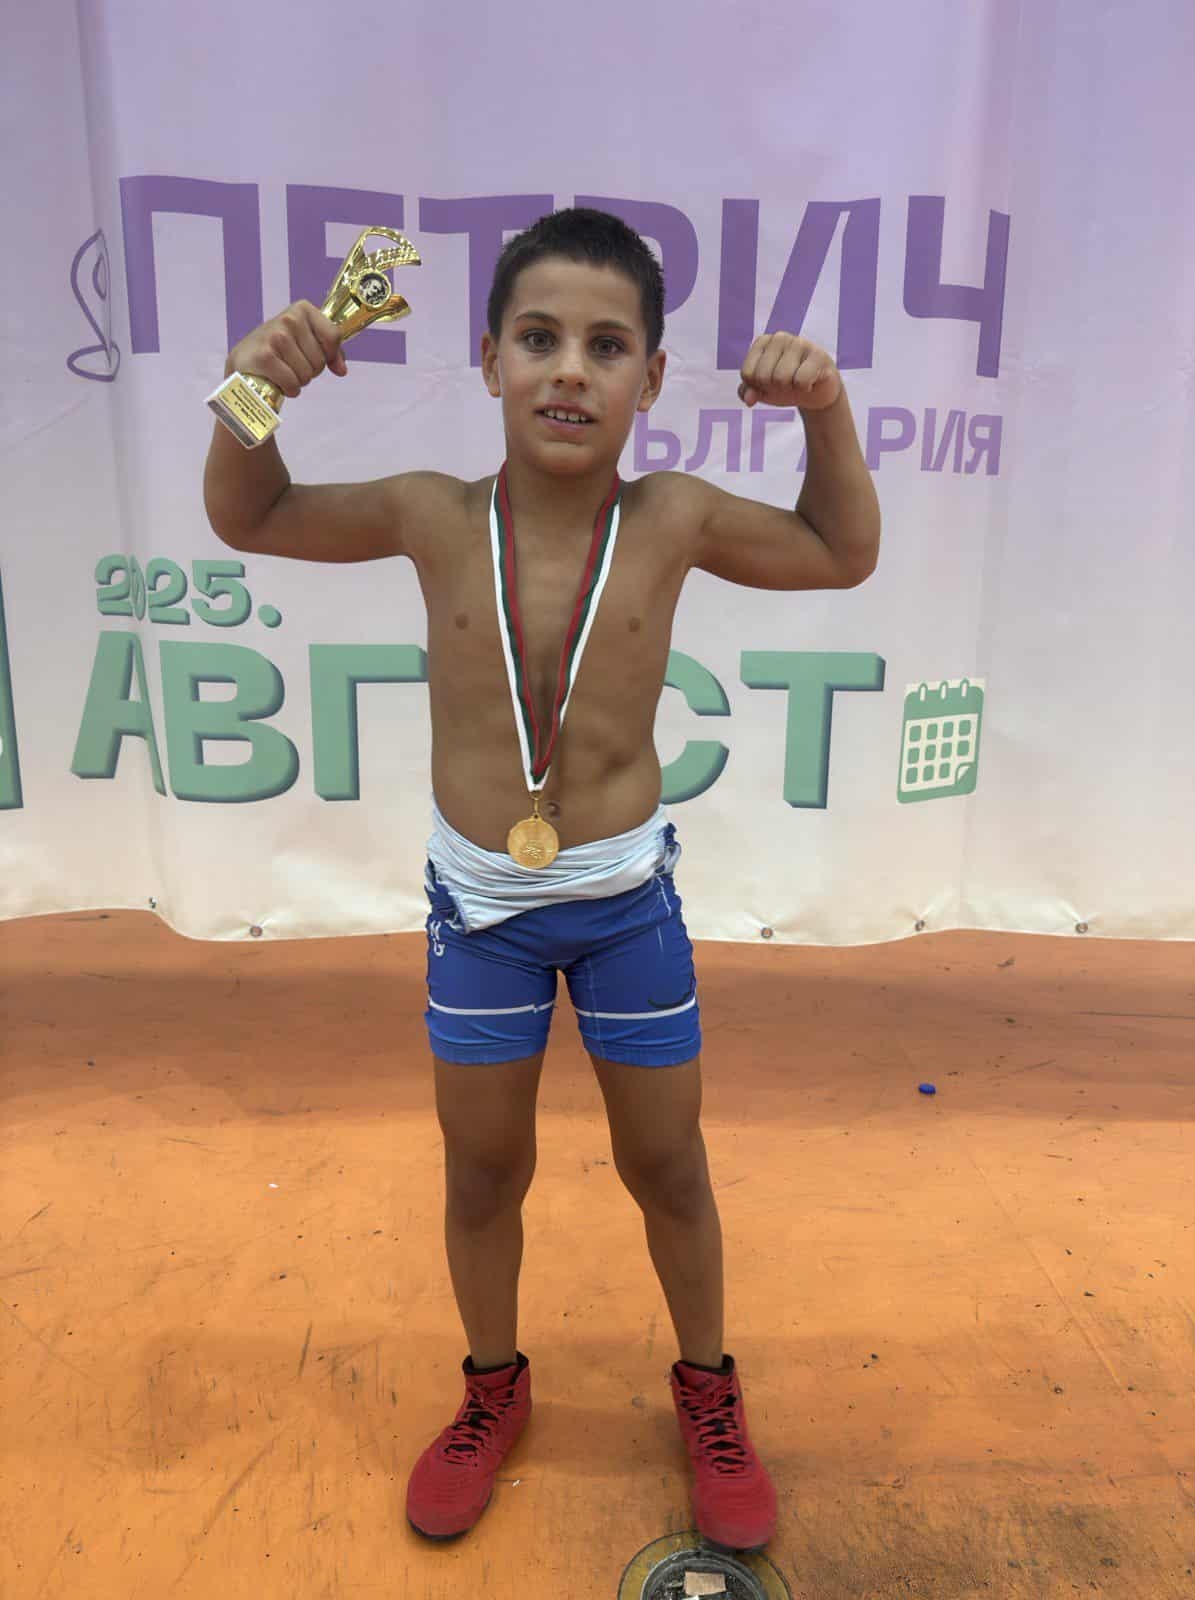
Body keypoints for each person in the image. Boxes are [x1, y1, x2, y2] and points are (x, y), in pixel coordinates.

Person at [203, 207, 880, 1553]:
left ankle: (709, 1389)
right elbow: (251, 512)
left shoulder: (672, 516)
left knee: (667, 1164)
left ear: (651, 377)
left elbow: (841, 551)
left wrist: (827, 412)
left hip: (627, 909)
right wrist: (255, 390)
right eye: (540, 338)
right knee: (482, 1170)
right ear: (489, 359)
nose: (571, 368)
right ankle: (491, 1388)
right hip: (483, 918)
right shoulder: (431, 512)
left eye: (607, 345)